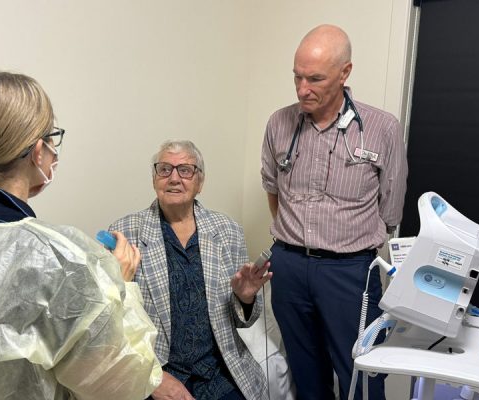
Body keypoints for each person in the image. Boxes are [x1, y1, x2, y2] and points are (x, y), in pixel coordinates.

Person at [0, 72, 162, 400]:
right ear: (38, 151)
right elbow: (125, 386)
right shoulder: (59, 260)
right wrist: (119, 287)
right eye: (52, 137)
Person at [261, 25, 408, 399]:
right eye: (297, 77)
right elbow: (273, 190)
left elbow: (390, 210)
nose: (302, 89)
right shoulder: (280, 123)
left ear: (345, 73)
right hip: (290, 267)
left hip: (350, 272)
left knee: (362, 373)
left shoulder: (381, 128)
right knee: (305, 372)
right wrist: (292, 243)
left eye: (315, 79)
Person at [110, 140, 271, 400]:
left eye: (185, 170)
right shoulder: (126, 232)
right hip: (159, 369)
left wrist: (246, 298)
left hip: (219, 370)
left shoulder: (227, 231)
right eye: (165, 169)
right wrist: (153, 376)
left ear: (200, 182)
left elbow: (246, 320)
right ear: (154, 179)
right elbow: (115, 321)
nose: (174, 178)